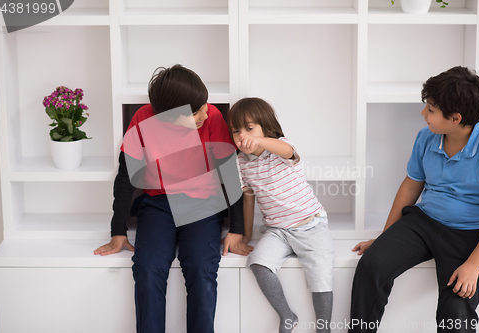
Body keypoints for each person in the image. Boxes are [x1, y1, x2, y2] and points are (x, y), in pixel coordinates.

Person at [93, 64, 253, 333]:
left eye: (204, 105)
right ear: (168, 115)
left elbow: (230, 175)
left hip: (203, 204)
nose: (206, 113)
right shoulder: (143, 120)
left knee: (201, 266)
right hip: (158, 204)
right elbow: (125, 177)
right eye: (195, 112)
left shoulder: (211, 115)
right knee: (147, 267)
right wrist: (117, 230)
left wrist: (237, 229)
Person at [350, 66, 479, 333]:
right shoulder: (426, 138)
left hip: (470, 233)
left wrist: (474, 265)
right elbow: (410, 187)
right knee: (372, 265)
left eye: (430, 109)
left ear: (455, 118)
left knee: (456, 309)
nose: (423, 113)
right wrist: (385, 237)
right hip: (424, 222)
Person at [228, 97, 335, 333]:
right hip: (278, 230)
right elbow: (248, 198)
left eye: (249, 128)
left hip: (310, 224)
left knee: (321, 274)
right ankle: (286, 315)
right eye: (236, 131)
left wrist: (260, 140)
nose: (242, 136)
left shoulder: (280, 147)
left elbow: (287, 150)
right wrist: (245, 235)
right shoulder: (241, 163)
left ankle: (323, 327)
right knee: (258, 264)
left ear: (265, 127)